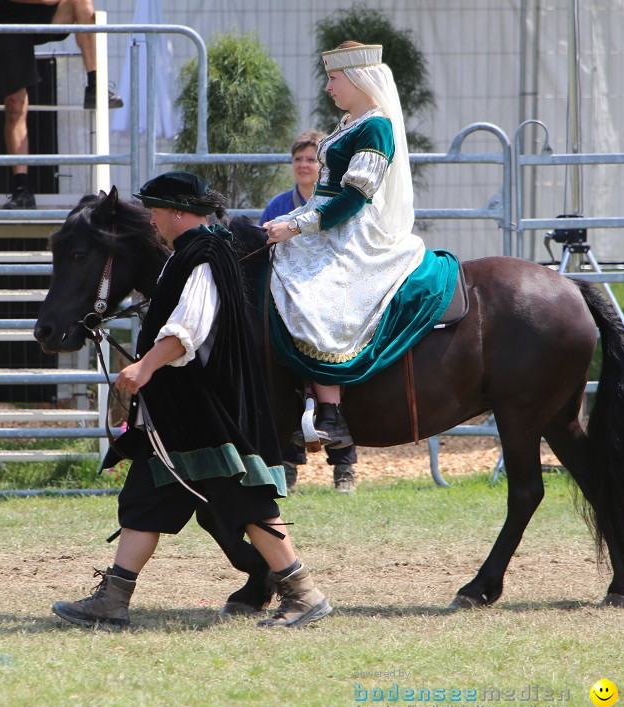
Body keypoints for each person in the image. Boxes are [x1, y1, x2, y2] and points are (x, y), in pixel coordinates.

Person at [51, 171, 332, 630]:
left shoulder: (204, 256)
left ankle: (304, 593)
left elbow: (189, 329)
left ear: (179, 212)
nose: (153, 220)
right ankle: (113, 599)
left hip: (204, 412)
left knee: (246, 503)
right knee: (145, 500)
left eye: (157, 211)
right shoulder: (185, 254)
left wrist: (145, 367)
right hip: (176, 413)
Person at [263, 42, 456, 454]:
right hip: (326, 221)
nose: (328, 86)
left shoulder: (376, 126)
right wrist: (289, 223)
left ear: (357, 77)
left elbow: (354, 198)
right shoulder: (350, 122)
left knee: (315, 297)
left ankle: (331, 412)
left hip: (352, 231)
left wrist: (296, 226)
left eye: (333, 78)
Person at [260, 129, 360, 494]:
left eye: (311, 159)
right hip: (289, 293)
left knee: (333, 358)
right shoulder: (277, 206)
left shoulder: (334, 200)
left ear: (323, 167)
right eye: (298, 159)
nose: (304, 165)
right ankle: (287, 464)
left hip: (326, 291)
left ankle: (344, 468)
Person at [0, 0, 123, 210]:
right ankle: (22, 189)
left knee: (82, 3)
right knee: (15, 105)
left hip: (44, 12)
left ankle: (95, 84)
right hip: (9, 18)